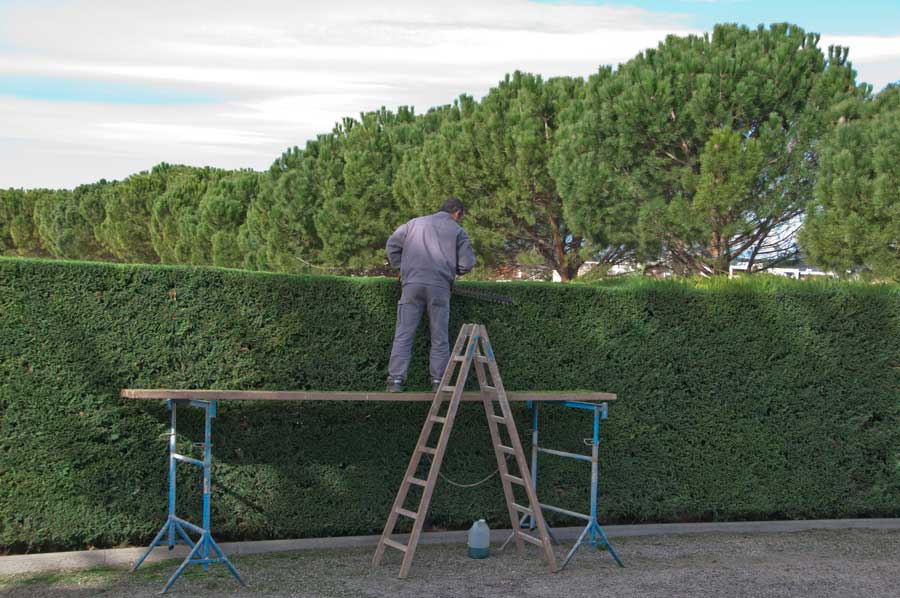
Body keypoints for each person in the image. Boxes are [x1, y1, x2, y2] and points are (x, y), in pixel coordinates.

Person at [385, 197, 476, 393]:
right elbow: (467, 264)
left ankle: (396, 380)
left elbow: (392, 244)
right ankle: (438, 382)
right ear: (458, 213)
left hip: (411, 284)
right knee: (439, 336)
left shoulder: (413, 223)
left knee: (404, 333)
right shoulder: (458, 231)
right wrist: (454, 270)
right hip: (440, 287)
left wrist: (401, 267)